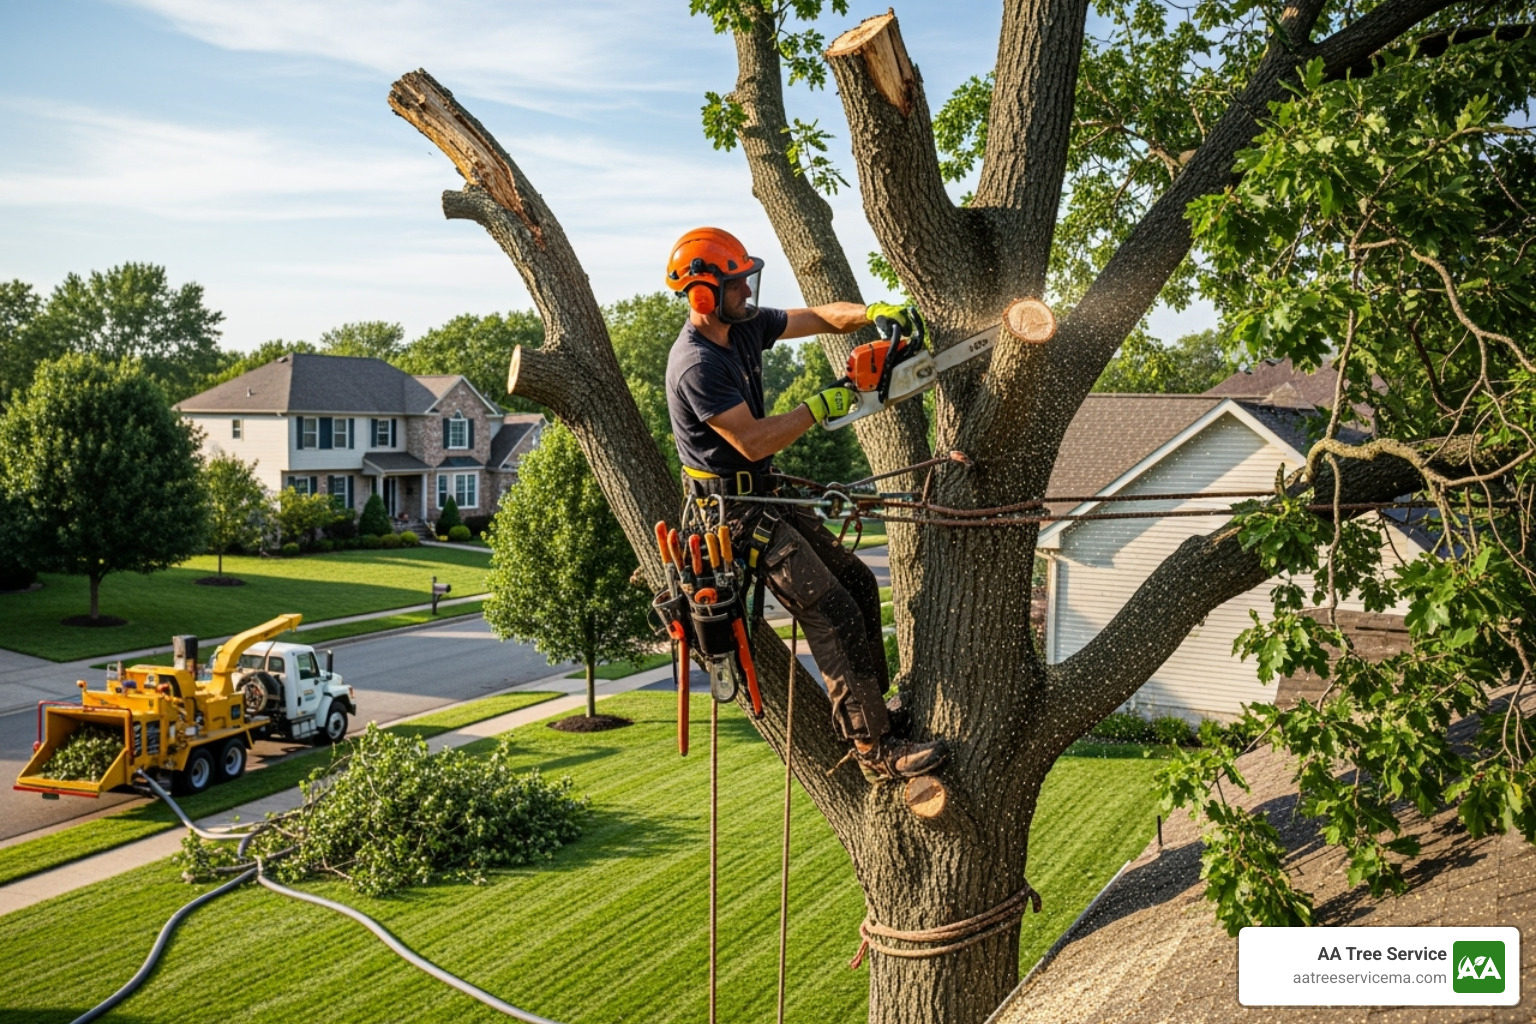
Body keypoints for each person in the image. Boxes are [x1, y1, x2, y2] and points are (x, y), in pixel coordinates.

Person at [662, 226, 948, 781]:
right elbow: (753, 441)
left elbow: (817, 317)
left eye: (747, 279)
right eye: (737, 283)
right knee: (831, 610)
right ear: (703, 295)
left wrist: (872, 313)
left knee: (859, 585)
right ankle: (873, 752)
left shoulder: (742, 326)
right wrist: (819, 405)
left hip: (763, 493)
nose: (748, 291)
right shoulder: (696, 364)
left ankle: (879, 713)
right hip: (731, 515)